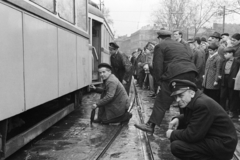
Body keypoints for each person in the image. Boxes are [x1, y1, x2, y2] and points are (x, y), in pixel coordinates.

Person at [134, 30, 197, 134]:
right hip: (191, 72)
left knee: (161, 100)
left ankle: (150, 125)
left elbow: (157, 67)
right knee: (186, 100)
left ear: (159, 38)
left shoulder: (160, 46)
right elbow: (189, 57)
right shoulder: (180, 44)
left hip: (174, 74)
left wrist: (159, 82)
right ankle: (187, 125)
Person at [166, 79, 238, 160]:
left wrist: (172, 134)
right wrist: (178, 119)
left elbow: (192, 135)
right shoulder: (195, 100)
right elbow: (194, 116)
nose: (177, 100)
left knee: (177, 146)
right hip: (216, 139)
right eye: (175, 97)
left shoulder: (201, 105)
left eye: (181, 95)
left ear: (192, 93)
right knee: (179, 133)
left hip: (223, 145)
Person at [220, 47, 240, 117]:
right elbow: (221, 70)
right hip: (224, 79)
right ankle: (223, 110)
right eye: (224, 54)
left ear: (231, 53)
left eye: (226, 53)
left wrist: (237, 78)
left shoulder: (237, 62)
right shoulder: (224, 61)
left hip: (232, 79)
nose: (224, 55)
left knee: (232, 96)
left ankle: (232, 111)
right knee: (223, 96)